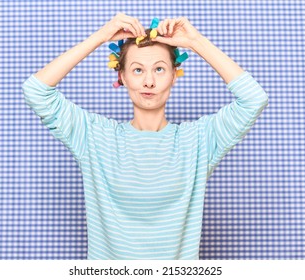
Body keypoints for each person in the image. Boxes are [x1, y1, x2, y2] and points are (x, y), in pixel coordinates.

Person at [22, 13, 269, 260]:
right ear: (122, 77)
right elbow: (36, 90)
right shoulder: (93, 137)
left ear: (174, 76)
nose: (149, 82)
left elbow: (253, 99)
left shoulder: (200, 140)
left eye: (159, 69)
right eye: (138, 70)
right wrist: (99, 37)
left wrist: (196, 42)